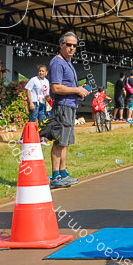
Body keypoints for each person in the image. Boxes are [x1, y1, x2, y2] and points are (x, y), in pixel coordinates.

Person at [46, 32, 89, 188]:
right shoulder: (57, 62)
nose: (72, 48)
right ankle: (55, 176)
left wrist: (80, 90)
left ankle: (63, 172)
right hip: (62, 106)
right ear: (61, 45)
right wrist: (76, 90)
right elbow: (56, 87)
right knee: (59, 142)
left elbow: (68, 86)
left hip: (70, 106)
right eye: (68, 45)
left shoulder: (67, 62)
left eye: (74, 45)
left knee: (65, 142)